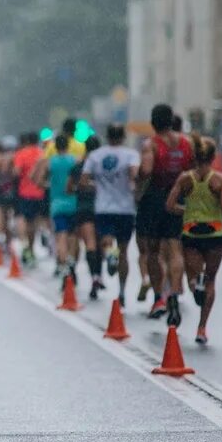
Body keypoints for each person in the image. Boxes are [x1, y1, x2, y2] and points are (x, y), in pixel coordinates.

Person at [166, 136, 222, 344]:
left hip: (191, 232)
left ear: (194, 156)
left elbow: (169, 205)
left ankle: (196, 286)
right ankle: (202, 328)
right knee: (211, 279)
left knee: (192, 276)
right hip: (214, 233)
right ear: (213, 157)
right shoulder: (221, 180)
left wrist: (187, 209)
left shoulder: (185, 179)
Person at [137, 104, 193, 326]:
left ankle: (159, 297)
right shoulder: (186, 143)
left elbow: (146, 171)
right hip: (179, 197)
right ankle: (175, 293)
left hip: (155, 199)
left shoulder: (150, 144)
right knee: (175, 247)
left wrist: (138, 181)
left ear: (153, 122)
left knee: (152, 250)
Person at [82, 124, 140, 307]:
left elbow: (84, 181)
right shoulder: (131, 154)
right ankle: (122, 292)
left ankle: (109, 254)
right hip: (125, 208)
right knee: (124, 251)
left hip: (103, 207)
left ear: (107, 136)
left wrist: (98, 185)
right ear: (123, 136)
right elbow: (134, 177)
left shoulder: (95, 156)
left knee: (106, 240)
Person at [36, 134, 79, 283]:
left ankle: (63, 266)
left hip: (57, 204)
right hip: (74, 203)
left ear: (55, 147)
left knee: (61, 237)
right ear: (68, 145)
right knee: (73, 237)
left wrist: (50, 186)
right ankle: (72, 262)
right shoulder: (75, 160)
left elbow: (39, 181)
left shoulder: (50, 162)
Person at [70, 136, 104, 299]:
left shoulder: (78, 166)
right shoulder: (104, 166)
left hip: (84, 208)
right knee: (101, 243)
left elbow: (69, 187)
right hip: (103, 208)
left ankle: (94, 278)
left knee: (90, 243)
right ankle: (99, 273)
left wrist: (78, 188)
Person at [12, 133, 48, 266]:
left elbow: (16, 172)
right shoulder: (42, 153)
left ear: (26, 141)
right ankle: (31, 250)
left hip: (24, 193)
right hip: (39, 193)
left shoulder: (21, 154)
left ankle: (25, 245)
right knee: (34, 223)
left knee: (23, 219)